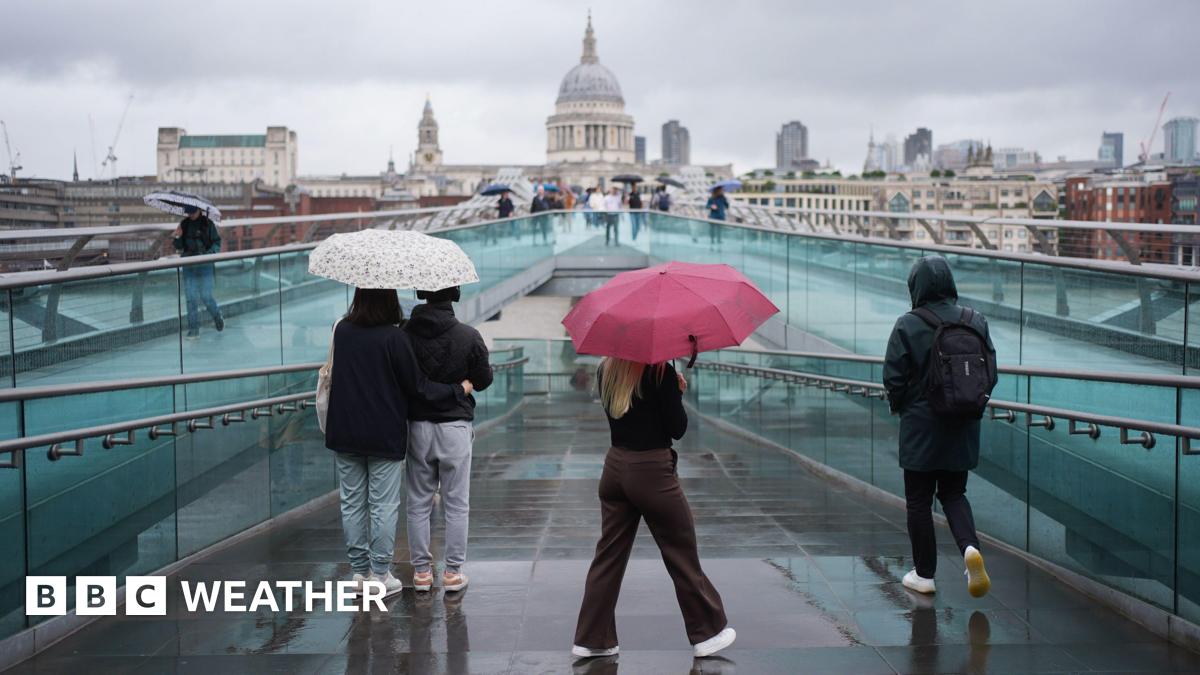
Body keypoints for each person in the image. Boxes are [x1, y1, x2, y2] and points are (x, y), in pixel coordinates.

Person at [573, 358, 735, 660]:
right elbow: (677, 428)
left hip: (614, 468)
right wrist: (676, 392)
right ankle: (708, 633)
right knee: (681, 549)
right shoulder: (659, 371)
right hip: (652, 471)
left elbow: (625, 414)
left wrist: (671, 390)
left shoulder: (605, 368)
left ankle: (591, 639)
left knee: (608, 557)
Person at [324, 288, 474, 599]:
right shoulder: (395, 338)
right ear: (388, 300)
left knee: (352, 504)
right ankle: (380, 574)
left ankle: (359, 573)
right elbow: (419, 388)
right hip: (383, 433)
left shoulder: (342, 329)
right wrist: (458, 390)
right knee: (383, 505)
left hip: (345, 429)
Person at [883, 255, 996, 599]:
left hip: (920, 426)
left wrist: (901, 406)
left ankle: (925, 574)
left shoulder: (908, 324)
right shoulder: (975, 320)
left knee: (919, 500)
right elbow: (989, 372)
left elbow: (893, 378)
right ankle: (969, 551)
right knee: (953, 493)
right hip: (962, 424)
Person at [403, 285, 494, 594]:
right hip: (455, 425)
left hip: (417, 427)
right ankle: (453, 573)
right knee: (456, 502)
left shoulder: (404, 334)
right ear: (454, 295)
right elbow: (484, 379)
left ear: (421, 295)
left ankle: (422, 573)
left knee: (418, 501)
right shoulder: (468, 335)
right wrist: (463, 384)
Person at [173, 206, 224, 339]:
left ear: (199, 210)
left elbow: (217, 242)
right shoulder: (184, 224)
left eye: (192, 211)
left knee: (206, 295)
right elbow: (179, 246)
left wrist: (209, 255)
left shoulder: (208, 224)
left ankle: (217, 316)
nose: (190, 214)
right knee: (190, 298)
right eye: (188, 212)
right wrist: (177, 236)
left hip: (205, 263)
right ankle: (193, 329)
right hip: (188, 264)